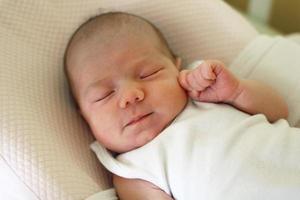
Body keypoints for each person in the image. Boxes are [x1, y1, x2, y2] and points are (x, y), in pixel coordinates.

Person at [64, 12, 300, 200]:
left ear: (176, 67)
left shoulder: (204, 90)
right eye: (104, 95)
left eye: (148, 74)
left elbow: (279, 111)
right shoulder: (131, 170)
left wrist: (236, 90)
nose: (130, 95)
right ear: (84, 116)